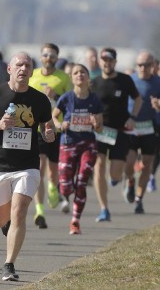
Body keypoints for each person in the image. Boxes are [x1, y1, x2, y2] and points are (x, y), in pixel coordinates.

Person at [0, 52, 56, 281]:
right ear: (9, 69)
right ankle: (7, 227)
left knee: (19, 211)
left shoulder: (39, 100)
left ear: (32, 71)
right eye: (19, 64)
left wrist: (49, 133)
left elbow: (49, 125)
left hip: (27, 165)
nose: (23, 68)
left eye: (27, 65)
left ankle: (9, 264)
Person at [90, 47, 141, 222]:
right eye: (104, 60)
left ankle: (124, 180)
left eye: (110, 60)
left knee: (114, 175)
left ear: (115, 62)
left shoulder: (125, 80)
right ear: (100, 61)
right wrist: (91, 119)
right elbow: (88, 105)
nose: (107, 63)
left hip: (120, 132)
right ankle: (104, 208)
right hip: (100, 131)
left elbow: (138, 98)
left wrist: (133, 117)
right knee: (98, 166)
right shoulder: (94, 83)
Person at [51, 64, 103, 233]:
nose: (79, 75)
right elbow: (53, 117)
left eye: (83, 72)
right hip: (68, 143)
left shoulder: (94, 100)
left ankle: (75, 220)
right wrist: (60, 124)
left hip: (88, 144)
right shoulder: (66, 98)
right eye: (76, 73)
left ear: (88, 78)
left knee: (82, 181)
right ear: (71, 78)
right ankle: (64, 190)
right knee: (66, 186)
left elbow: (100, 128)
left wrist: (96, 124)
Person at [28, 43, 72, 229]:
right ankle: (39, 210)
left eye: (52, 55)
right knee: (39, 168)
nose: (48, 58)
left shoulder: (63, 77)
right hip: (37, 128)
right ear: (41, 56)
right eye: (45, 54)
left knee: (53, 170)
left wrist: (57, 94)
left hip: (55, 128)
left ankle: (54, 189)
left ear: (57, 58)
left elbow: (71, 99)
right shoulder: (34, 75)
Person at [123, 51, 160, 214]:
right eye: (140, 65)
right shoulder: (129, 81)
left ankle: (139, 199)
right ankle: (130, 182)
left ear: (153, 66)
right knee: (128, 164)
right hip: (131, 127)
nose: (143, 68)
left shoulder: (158, 83)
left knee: (147, 164)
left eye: (147, 65)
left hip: (149, 128)